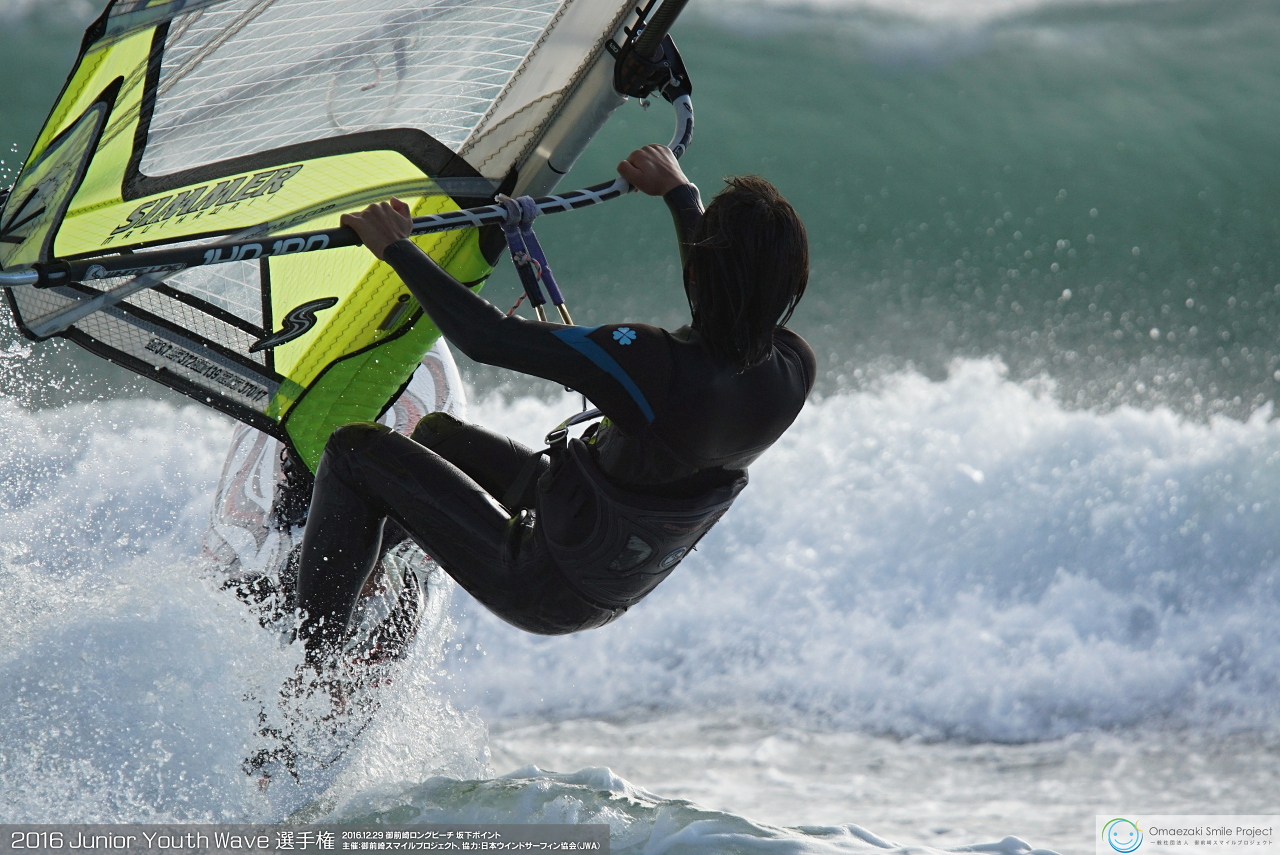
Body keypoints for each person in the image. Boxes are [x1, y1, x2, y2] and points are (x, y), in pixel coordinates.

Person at [293, 144, 816, 657]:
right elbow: (727, 296)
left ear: (700, 271)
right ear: (790, 283)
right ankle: (360, 575)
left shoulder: (651, 365)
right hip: (599, 555)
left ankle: (314, 661)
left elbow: (487, 338)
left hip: (539, 580)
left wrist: (395, 246)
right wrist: (681, 195)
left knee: (353, 451)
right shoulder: (793, 370)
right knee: (436, 439)